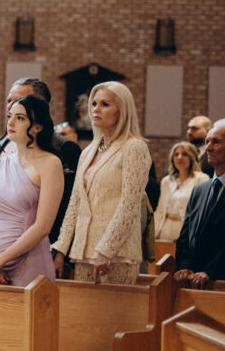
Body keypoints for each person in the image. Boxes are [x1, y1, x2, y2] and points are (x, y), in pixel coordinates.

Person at [0, 78, 81, 264]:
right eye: (9, 101)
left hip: (39, 248)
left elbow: (69, 204)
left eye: (19, 101)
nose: (12, 106)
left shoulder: (64, 149)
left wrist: (61, 252)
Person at [53, 81, 151, 284]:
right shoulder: (88, 151)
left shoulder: (134, 147)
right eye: (94, 103)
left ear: (122, 110)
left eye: (105, 104)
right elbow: (75, 203)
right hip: (83, 251)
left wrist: (106, 250)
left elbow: (129, 205)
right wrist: (61, 248)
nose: (95, 109)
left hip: (116, 256)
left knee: (113, 306)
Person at [0, 97, 62, 287]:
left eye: (20, 118)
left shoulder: (51, 164)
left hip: (29, 262)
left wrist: (0, 262)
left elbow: (42, 227)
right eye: (10, 116)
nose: (11, 123)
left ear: (37, 127)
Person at [174, 120, 225, 287]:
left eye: (215, 142)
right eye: (207, 141)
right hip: (192, 280)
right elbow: (185, 235)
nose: (207, 148)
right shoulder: (199, 190)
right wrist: (184, 266)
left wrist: (210, 271)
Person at [154, 141, 208, 242]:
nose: (179, 157)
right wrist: (155, 233)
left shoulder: (201, 179)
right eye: (176, 154)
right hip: (165, 230)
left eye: (184, 154)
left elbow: (202, 211)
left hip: (186, 230)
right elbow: (160, 209)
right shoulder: (167, 181)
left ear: (192, 157)